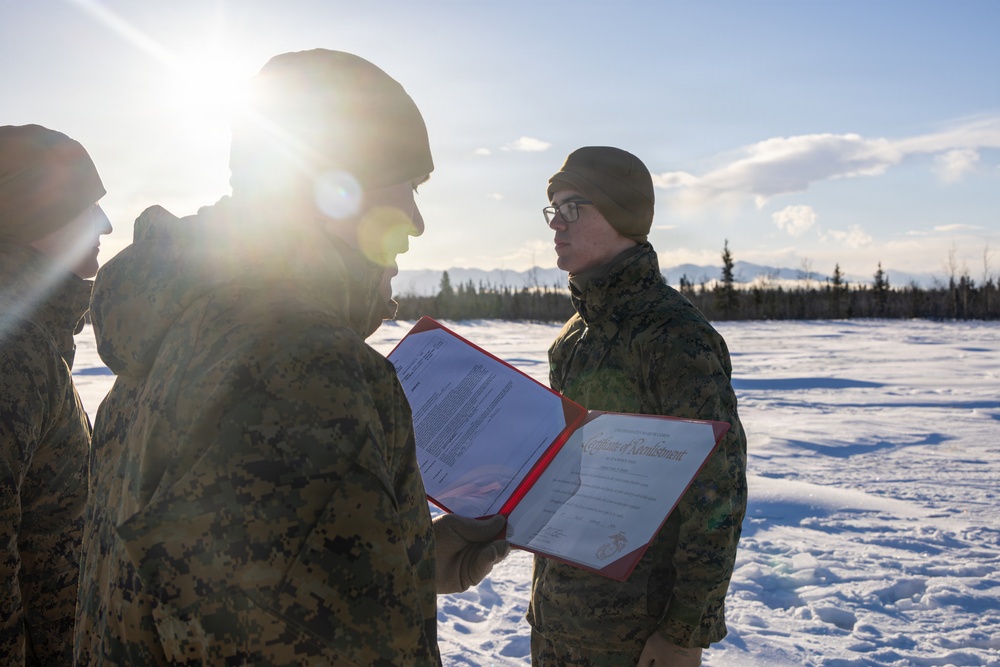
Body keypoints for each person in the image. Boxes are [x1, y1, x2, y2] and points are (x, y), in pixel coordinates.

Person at [74, 49, 508, 666]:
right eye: (407, 186)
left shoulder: (185, 328)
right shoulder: (299, 368)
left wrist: (398, 561)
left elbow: (212, 604)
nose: (415, 222)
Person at [528, 146, 748, 667]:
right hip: (558, 622)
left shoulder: (675, 337)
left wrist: (683, 633)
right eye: (552, 209)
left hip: (634, 639)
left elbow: (717, 494)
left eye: (573, 207)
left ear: (623, 216)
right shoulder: (574, 337)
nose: (556, 224)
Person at [0, 124, 112, 665]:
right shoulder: (11, 349)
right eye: (84, 205)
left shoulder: (35, 337)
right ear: (33, 213)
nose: (105, 224)